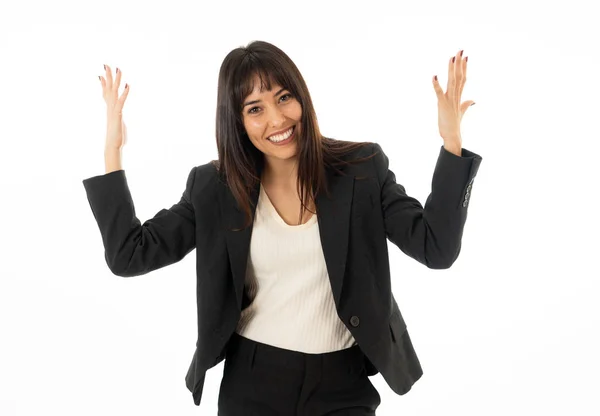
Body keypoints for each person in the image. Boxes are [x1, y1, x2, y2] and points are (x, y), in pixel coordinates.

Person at [82, 40, 483, 415]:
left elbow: (437, 248)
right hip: (254, 379)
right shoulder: (214, 187)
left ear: (301, 97)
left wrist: (452, 144)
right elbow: (129, 255)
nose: (276, 119)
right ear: (237, 121)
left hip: (343, 382)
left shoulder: (361, 169)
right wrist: (111, 153)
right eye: (255, 109)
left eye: (284, 98)